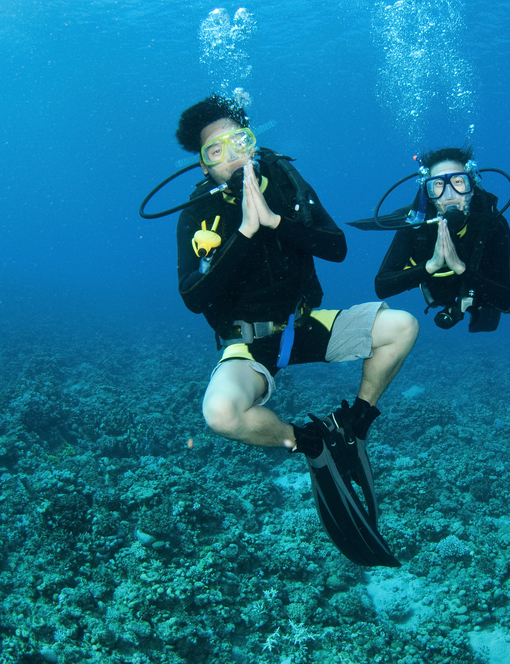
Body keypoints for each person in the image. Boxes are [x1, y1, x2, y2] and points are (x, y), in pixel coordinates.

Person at [174, 94, 418, 567]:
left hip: (306, 324)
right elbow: (195, 298)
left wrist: (276, 222)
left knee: (402, 326)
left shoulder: (288, 184)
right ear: (204, 167)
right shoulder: (197, 215)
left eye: (239, 141)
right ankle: (308, 441)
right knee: (221, 414)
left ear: (253, 141)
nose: (233, 156)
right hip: (247, 343)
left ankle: (355, 424)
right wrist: (245, 232)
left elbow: (337, 247)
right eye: (215, 151)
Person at [373, 146, 510, 332]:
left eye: (458, 181)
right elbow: (382, 287)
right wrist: (431, 265)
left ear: (471, 189)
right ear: (429, 194)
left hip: (480, 294)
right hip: (440, 294)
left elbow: (506, 298)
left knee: (487, 320)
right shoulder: (417, 225)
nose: (449, 194)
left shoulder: (492, 224)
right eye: (438, 185)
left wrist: (460, 267)